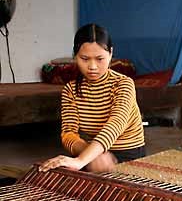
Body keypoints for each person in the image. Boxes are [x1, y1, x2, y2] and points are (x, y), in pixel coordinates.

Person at [39, 23, 145, 173]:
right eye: (85, 58)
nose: (93, 66)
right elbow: (69, 133)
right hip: (90, 152)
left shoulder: (123, 84)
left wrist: (82, 160)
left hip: (128, 154)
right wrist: (91, 155)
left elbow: (115, 124)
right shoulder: (71, 90)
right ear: (75, 56)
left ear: (111, 53)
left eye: (99, 59)